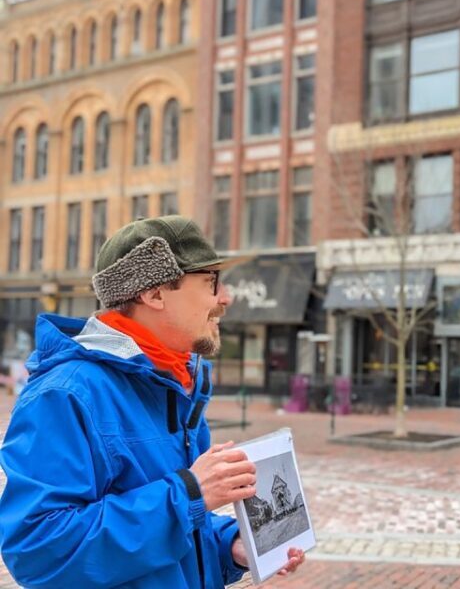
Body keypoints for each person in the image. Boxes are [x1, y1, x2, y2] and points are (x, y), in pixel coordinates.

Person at [0, 216, 305, 588]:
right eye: (210, 282)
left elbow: (177, 527)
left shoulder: (176, 385)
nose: (225, 298)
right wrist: (190, 492)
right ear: (155, 293)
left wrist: (229, 546)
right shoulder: (67, 394)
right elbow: (39, 551)